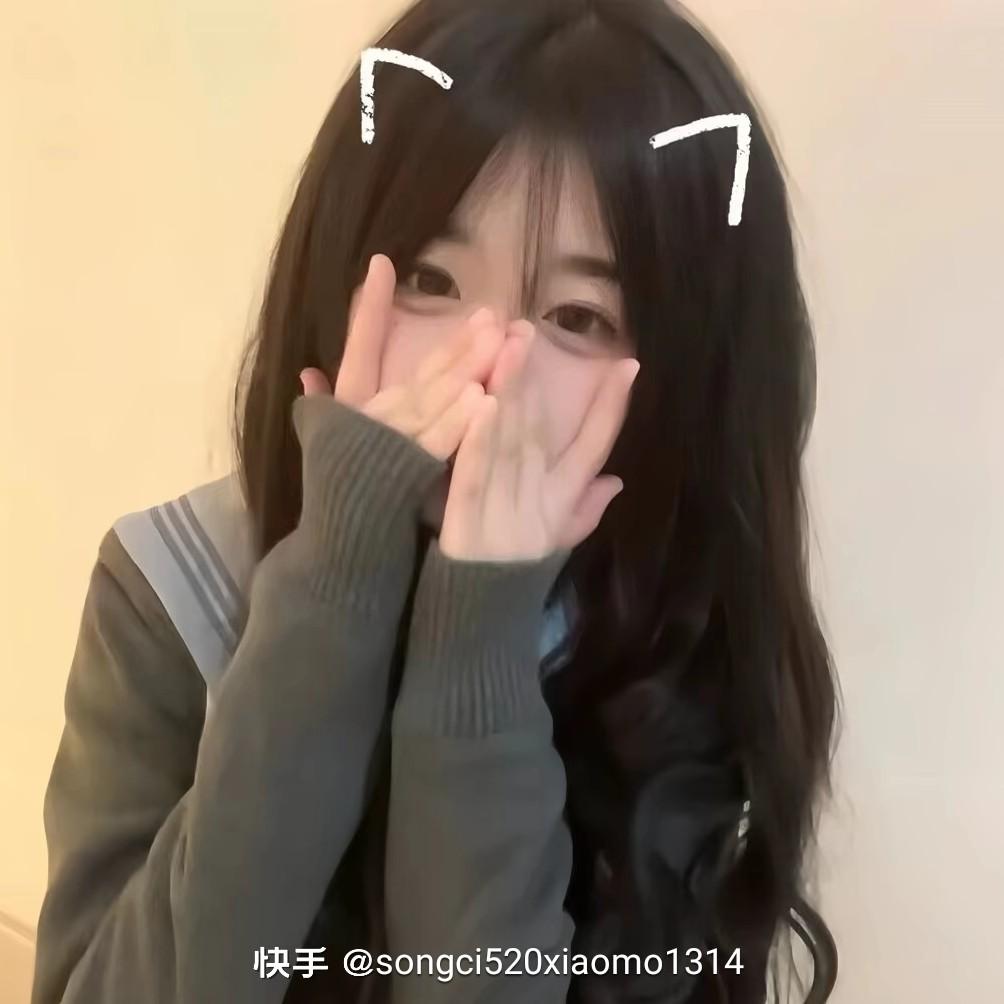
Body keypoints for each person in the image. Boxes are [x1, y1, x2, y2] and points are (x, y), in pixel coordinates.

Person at [31, 1, 840, 1002]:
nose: (487, 365)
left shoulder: (666, 632)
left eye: (579, 315)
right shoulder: (172, 586)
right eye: (428, 277)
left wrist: (479, 639)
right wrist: (334, 587)